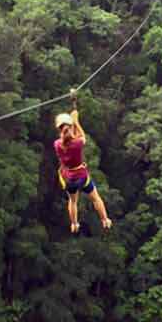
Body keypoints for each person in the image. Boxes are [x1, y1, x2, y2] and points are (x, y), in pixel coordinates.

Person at [54, 91, 112, 234]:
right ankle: (105, 220)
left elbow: (67, 137)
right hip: (81, 176)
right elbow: (82, 136)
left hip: (69, 178)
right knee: (95, 198)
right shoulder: (77, 144)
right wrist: (76, 122)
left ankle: (74, 224)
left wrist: (71, 122)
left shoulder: (57, 144)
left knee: (73, 201)